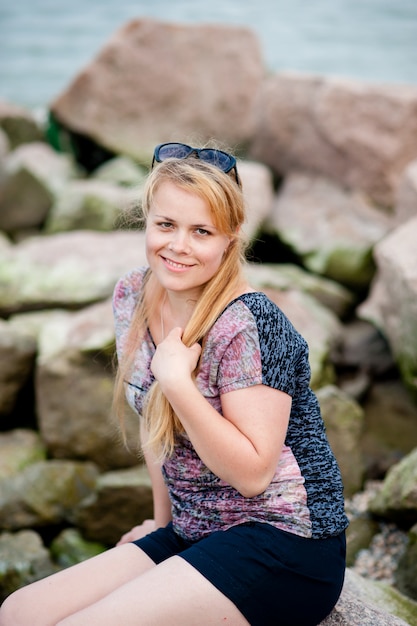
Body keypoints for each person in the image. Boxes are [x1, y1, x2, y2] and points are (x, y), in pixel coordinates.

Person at [0, 142, 348, 626]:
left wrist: (178, 384)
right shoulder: (133, 295)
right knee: (19, 612)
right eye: (166, 225)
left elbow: (252, 475)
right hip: (192, 530)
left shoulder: (251, 324)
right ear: (147, 221)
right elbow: (154, 424)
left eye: (201, 231)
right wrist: (161, 526)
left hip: (282, 540)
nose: (178, 246)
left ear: (230, 238)